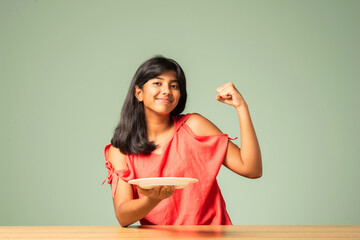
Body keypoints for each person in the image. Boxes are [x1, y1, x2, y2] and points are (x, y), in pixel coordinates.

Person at [102, 56, 262, 226]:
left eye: (174, 85)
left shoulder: (194, 126)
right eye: (158, 83)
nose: (166, 91)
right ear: (138, 93)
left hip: (211, 236)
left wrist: (241, 107)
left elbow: (251, 169)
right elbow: (123, 216)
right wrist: (152, 200)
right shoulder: (120, 150)